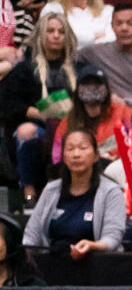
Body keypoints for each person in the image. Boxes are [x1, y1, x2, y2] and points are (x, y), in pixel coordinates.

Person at [1, 12, 78, 206]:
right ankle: (28, 191)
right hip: (38, 128)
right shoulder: (25, 70)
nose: (56, 35)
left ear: (67, 36)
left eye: (61, 31)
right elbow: (8, 105)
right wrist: (41, 114)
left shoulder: (80, 68)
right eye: (50, 31)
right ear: (40, 36)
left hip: (74, 128)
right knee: (26, 131)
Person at [23, 127, 126, 258]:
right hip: (53, 265)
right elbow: (32, 234)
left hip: (98, 265)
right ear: (64, 157)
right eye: (70, 149)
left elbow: (113, 238)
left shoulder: (111, 191)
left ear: (95, 156)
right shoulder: (51, 189)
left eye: (83, 148)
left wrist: (92, 246)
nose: (76, 154)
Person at [51, 65, 132, 164]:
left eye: (97, 84)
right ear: (78, 90)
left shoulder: (123, 112)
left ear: (106, 89)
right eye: (86, 84)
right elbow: (58, 155)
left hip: (115, 169)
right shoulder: (68, 121)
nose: (91, 88)